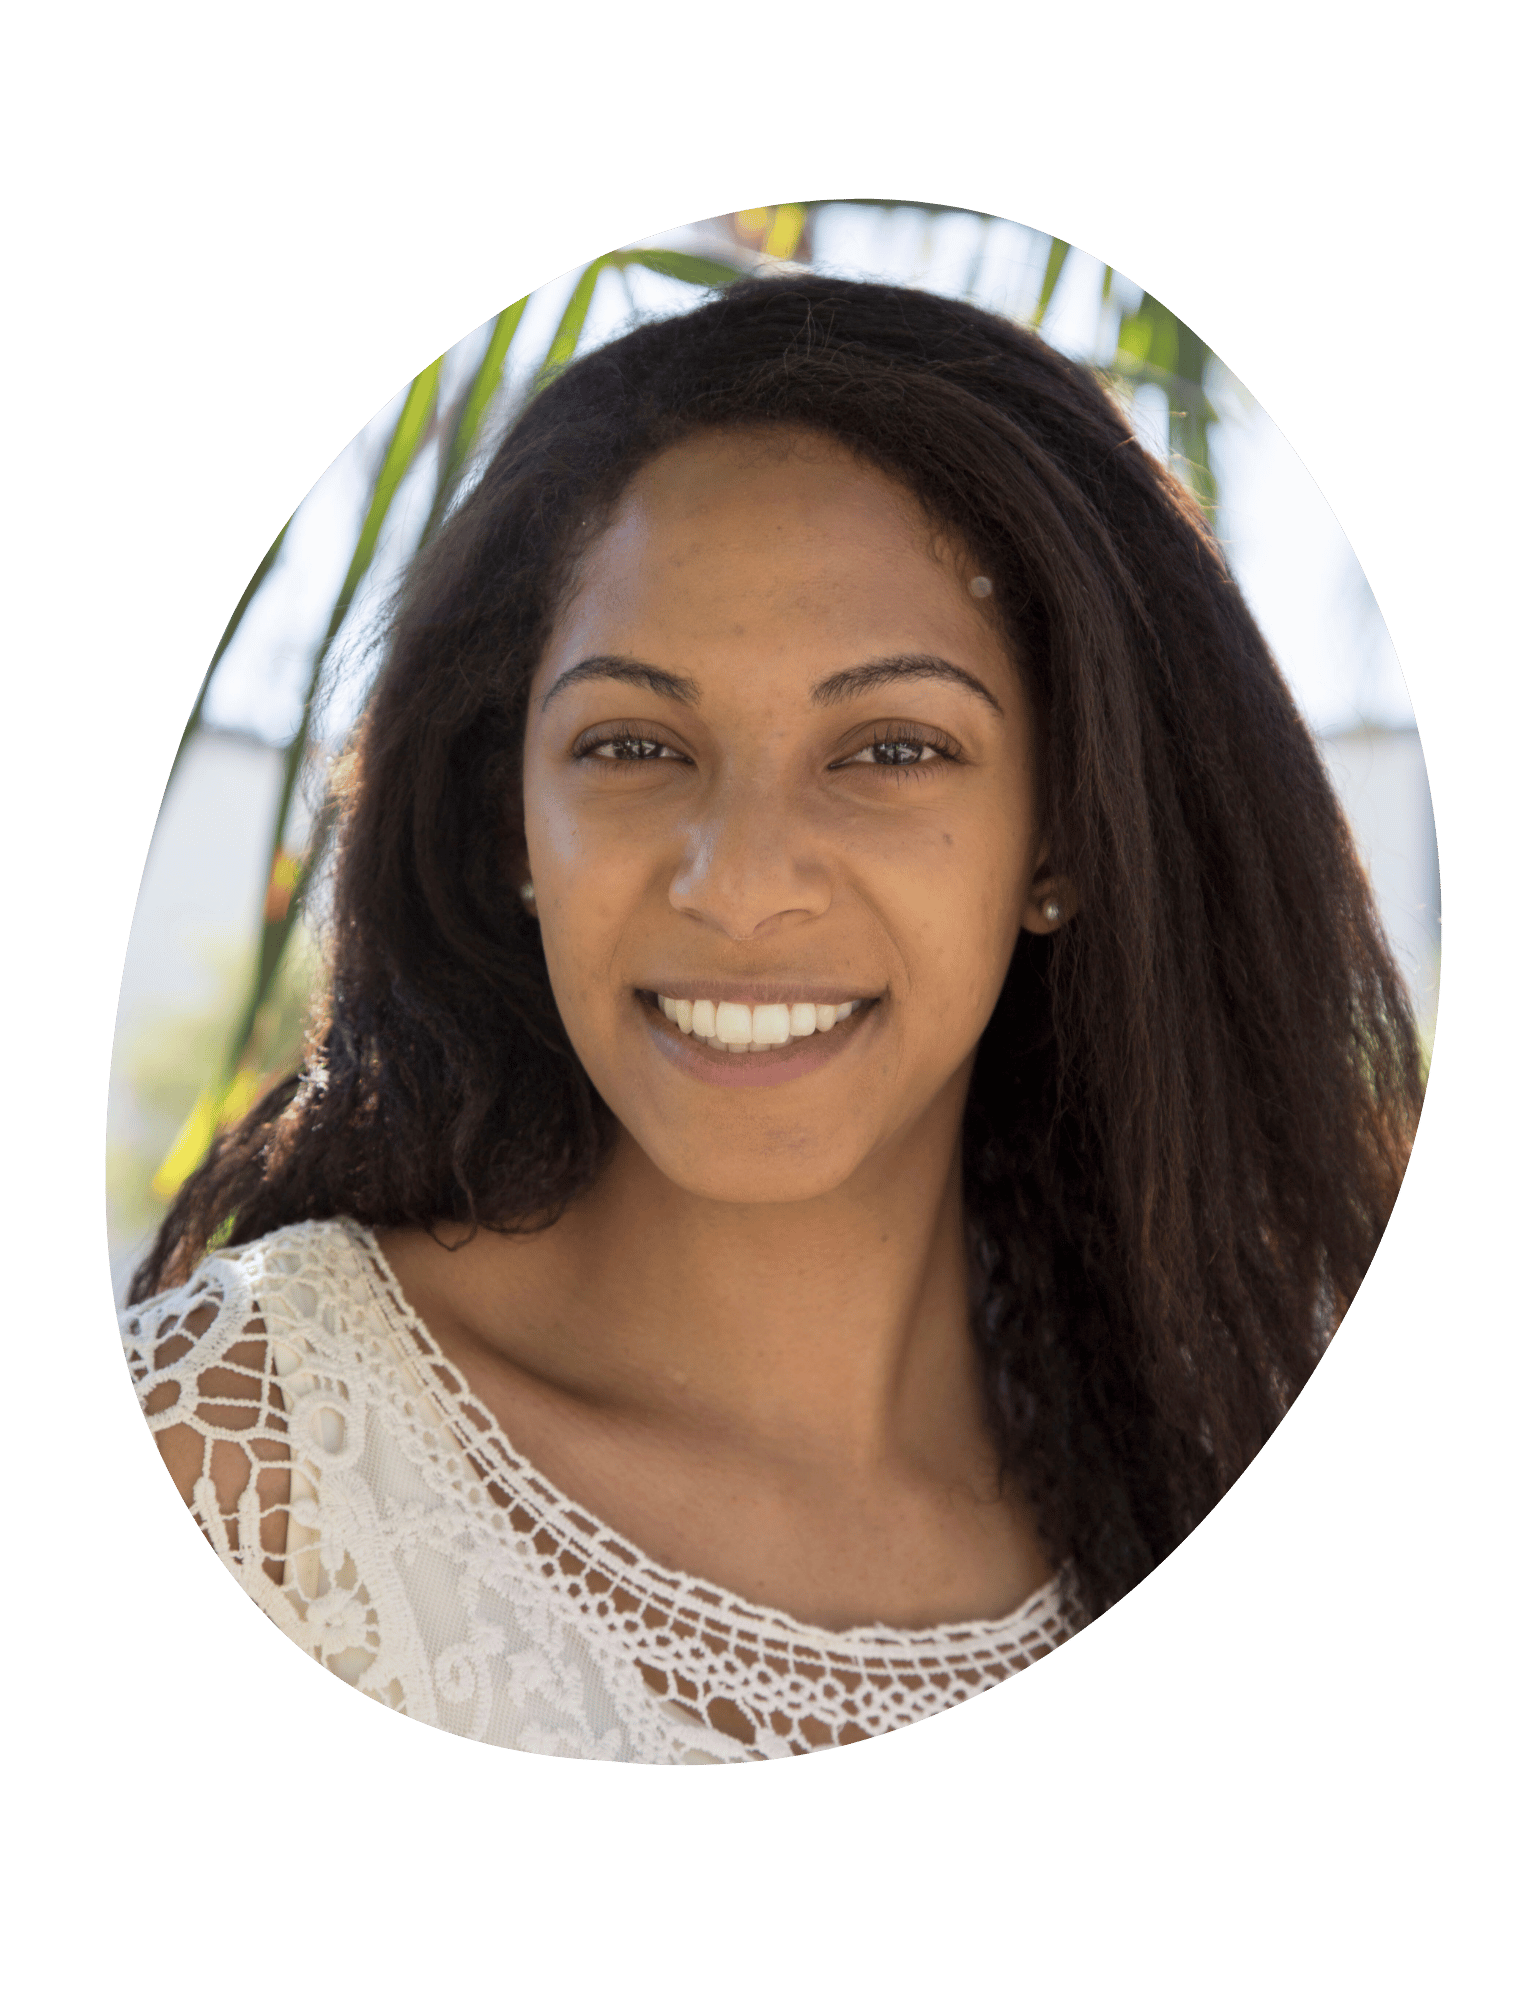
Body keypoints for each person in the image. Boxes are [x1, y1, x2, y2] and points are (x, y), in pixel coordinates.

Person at [121, 274, 1425, 1763]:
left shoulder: (1231, 1472)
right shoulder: (242, 1462)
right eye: (631, 744)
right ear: (510, 825)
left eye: (887, 747)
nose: (737, 886)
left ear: (1061, 837)